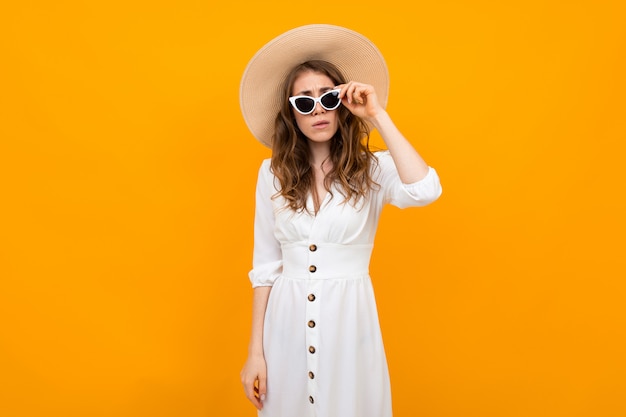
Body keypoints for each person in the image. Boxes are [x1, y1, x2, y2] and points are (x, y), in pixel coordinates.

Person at [239, 24, 442, 417]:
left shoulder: (375, 169)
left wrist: (377, 114)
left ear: (342, 103)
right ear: (291, 115)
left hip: (350, 324)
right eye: (303, 102)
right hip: (285, 327)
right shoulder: (272, 174)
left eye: (328, 97)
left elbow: (426, 190)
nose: (317, 109)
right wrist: (255, 353)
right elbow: (265, 268)